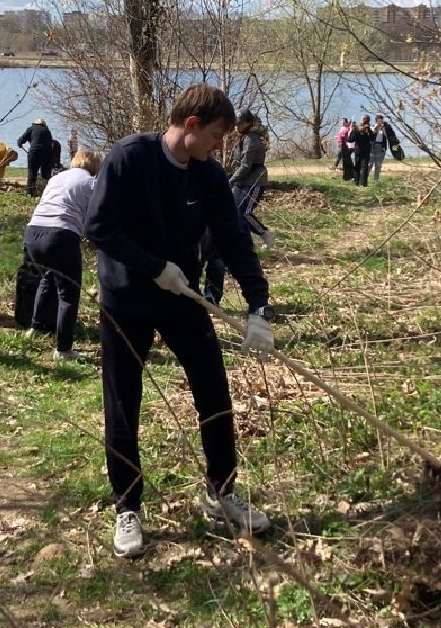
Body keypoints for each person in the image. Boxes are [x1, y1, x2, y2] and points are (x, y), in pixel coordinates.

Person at [85, 83, 275, 558]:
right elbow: (98, 227)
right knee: (124, 401)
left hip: (182, 297)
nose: (219, 147)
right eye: (215, 136)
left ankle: (221, 490)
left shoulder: (207, 175)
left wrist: (258, 306)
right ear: (190, 125)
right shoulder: (130, 158)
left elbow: (233, 238)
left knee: (213, 387)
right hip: (126, 298)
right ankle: (127, 506)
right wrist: (153, 267)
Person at [23, 148, 102, 360]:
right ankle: (63, 348)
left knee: (48, 278)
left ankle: (36, 328)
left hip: (33, 233)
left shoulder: (56, 178)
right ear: (95, 166)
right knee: (69, 293)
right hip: (60, 235)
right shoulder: (91, 183)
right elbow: (95, 218)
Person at [229, 108, 273, 247]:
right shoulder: (243, 136)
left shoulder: (251, 139)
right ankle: (245, 243)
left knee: (244, 213)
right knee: (233, 212)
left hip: (254, 180)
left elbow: (246, 166)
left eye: (239, 124)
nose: (236, 126)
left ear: (248, 123)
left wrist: (231, 180)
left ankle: (266, 234)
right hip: (242, 180)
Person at [16, 116, 56, 195]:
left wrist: (19, 143)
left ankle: (30, 193)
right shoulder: (47, 131)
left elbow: (21, 140)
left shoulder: (31, 128)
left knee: (32, 173)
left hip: (35, 152)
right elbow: (51, 143)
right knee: (46, 174)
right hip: (48, 153)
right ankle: (47, 192)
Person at [372, 115, 401, 183]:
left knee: (379, 163)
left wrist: (383, 128)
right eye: (379, 120)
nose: (380, 121)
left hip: (382, 146)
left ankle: (376, 179)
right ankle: (365, 178)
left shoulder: (385, 127)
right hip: (374, 146)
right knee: (370, 163)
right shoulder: (373, 126)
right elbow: (371, 135)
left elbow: (387, 136)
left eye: (382, 120)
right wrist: (376, 128)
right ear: (376, 120)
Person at [349, 115, 376, 187]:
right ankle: (364, 183)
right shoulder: (369, 130)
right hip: (366, 150)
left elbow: (350, 140)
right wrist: (369, 131)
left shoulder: (356, 129)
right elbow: (373, 139)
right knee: (364, 167)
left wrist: (352, 129)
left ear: (362, 120)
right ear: (368, 121)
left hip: (358, 150)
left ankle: (356, 182)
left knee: (357, 166)